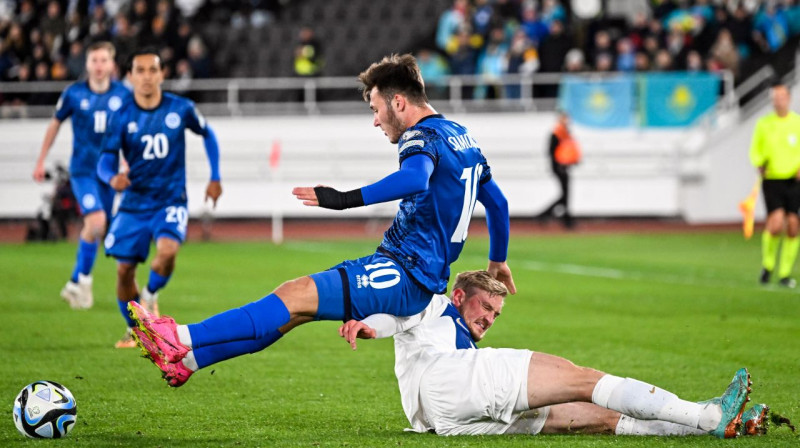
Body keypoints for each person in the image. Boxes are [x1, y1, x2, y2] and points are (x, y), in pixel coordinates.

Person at [128, 53, 515, 386]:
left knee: (292, 294)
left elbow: (415, 179)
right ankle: (188, 362)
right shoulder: (463, 137)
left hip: (406, 273)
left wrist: (341, 199)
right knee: (292, 311)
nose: (376, 121)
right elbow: (497, 204)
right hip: (414, 273)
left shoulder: (421, 136)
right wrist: (498, 261)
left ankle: (178, 337)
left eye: (376, 109)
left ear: (398, 102)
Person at [339, 271, 767, 439]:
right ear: (458, 296)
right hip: (446, 382)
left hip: (448, 422)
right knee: (582, 378)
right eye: (484, 307)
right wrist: (370, 326)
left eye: (496, 313)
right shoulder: (434, 305)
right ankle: (706, 416)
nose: (489, 318)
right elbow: (400, 318)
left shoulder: (462, 341)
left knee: (593, 416)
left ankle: (712, 427)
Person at [96, 48, 222, 348]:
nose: (147, 77)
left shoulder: (181, 108)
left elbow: (208, 134)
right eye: (140, 71)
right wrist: (112, 178)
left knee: (166, 254)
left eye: (153, 70)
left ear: (162, 74)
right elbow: (104, 161)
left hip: (170, 200)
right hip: (134, 204)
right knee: (124, 270)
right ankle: (136, 330)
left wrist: (215, 176)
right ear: (130, 77)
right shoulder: (121, 115)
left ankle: (150, 295)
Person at [32, 41, 132, 310]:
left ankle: (75, 282)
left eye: (103, 61)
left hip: (109, 174)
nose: (98, 66)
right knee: (97, 222)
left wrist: (131, 162)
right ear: (86, 64)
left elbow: (132, 131)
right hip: (83, 172)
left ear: (112, 65)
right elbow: (55, 125)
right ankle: (84, 283)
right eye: (94, 61)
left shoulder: (124, 94)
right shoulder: (74, 94)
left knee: (98, 229)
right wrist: (41, 160)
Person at [749, 81, 800, 287]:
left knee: (794, 226)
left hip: (793, 180)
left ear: (788, 99)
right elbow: (755, 150)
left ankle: (785, 273)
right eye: (774, 98)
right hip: (772, 179)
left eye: (781, 97)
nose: (777, 102)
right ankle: (768, 265)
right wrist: (759, 163)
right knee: (776, 223)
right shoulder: (764, 124)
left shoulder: (797, 123)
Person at [537, 110, 580, 228]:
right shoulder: (557, 134)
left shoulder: (565, 134)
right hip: (560, 168)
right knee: (565, 195)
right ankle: (560, 218)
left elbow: (568, 151)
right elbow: (552, 152)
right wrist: (558, 166)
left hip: (564, 167)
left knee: (565, 195)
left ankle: (556, 217)